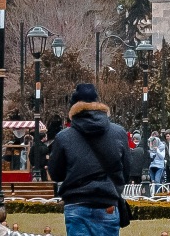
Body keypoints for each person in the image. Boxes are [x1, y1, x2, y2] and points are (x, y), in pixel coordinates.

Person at [48, 84, 133, 236]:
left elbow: (56, 174)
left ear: (74, 108)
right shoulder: (119, 133)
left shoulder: (64, 137)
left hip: (77, 202)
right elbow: (126, 171)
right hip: (107, 203)